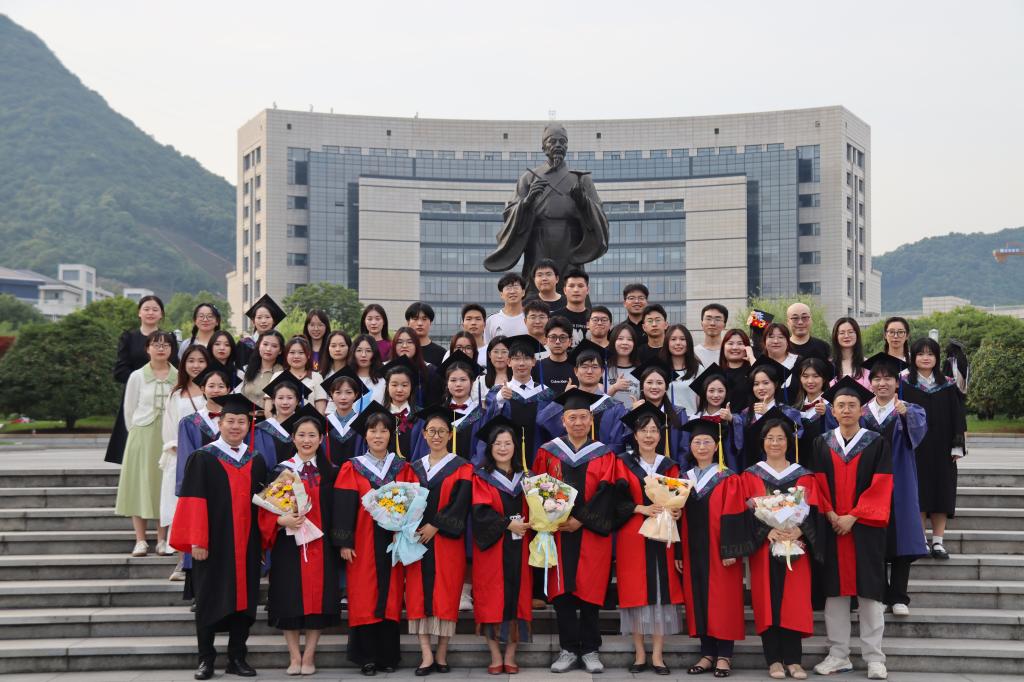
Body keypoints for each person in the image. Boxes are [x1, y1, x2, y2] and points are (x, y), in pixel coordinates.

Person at [532, 389, 630, 674]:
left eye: (583, 417)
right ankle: (567, 649)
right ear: (563, 420)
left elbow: (608, 494)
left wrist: (581, 520)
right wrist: (553, 516)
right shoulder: (548, 452)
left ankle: (589, 649)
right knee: (562, 593)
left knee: (590, 591)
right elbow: (538, 487)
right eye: (572, 417)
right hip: (558, 532)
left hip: (591, 533)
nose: (578, 422)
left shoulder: (605, 454)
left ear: (591, 420)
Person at [171, 394, 267, 680]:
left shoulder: (256, 460)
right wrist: (197, 541)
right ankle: (206, 659)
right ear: (220, 423)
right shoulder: (203, 457)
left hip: (247, 543)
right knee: (208, 599)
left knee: (244, 601)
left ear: (249, 425)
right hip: (212, 544)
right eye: (230, 421)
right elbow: (193, 501)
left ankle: (237, 658)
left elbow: (263, 504)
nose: (236, 426)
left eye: (241, 421)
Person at [811, 377, 893, 681]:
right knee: (834, 594)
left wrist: (854, 516)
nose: (846, 410)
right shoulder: (822, 443)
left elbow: (882, 484)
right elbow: (816, 483)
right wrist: (831, 513)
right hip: (833, 527)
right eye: (841, 405)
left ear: (861, 410)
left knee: (870, 594)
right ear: (832, 411)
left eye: (852, 405)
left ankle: (875, 658)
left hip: (865, 529)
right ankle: (838, 655)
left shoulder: (876, 442)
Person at [332, 402, 415, 676]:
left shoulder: (402, 467)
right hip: (363, 541)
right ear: (365, 435)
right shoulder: (352, 467)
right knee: (364, 595)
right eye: (373, 430)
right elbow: (343, 505)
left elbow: (413, 505)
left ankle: (388, 656)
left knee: (391, 595)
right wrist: (345, 542)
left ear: (391, 434)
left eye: (384, 430)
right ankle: (366, 657)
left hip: (393, 540)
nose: (378, 435)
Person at [259, 407, 339, 676]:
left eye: (312, 435)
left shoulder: (331, 472)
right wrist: (281, 521)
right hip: (288, 546)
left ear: (321, 439)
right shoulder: (281, 471)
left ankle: (309, 655)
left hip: (321, 545)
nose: (307, 440)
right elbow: (266, 509)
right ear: (293, 438)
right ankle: (294, 656)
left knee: (318, 601)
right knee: (288, 598)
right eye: (301, 435)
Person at [739, 419, 822, 680]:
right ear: (762, 442)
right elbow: (744, 512)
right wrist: (767, 532)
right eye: (770, 438)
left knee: (794, 601)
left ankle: (794, 661)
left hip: (796, 547)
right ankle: (774, 660)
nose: (775, 443)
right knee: (767, 600)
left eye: (780, 438)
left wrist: (800, 530)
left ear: (789, 442)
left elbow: (815, 511)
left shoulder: (804, 476)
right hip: (764, 548)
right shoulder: (750, 475)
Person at [483, 123, 610, 294]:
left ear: (567, 146)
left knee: (571, 287)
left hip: (570, 241)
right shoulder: (529, 177)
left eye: (562, 142)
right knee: (536, 287)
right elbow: (509, 212)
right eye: (552, 141)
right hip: (538, 240)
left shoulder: (581, 179)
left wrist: (583, 202)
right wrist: (527, 201)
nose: (558, 145)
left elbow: (599, 213)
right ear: (543, 146)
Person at [678, 417, 754, 678]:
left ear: (716, 445)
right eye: (696, 442)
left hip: (721, 551)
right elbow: (677, 518)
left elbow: (735, 515)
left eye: (706, 442)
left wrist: (731, 550)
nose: (701, 447)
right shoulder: (683, 479)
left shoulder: (728, 477)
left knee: (724, 600)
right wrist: (678, 552)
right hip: (692, 549)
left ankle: (724, 655)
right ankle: (707, 653)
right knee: (698, 598)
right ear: (690, 446)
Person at [616, 402, 685, 676]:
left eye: (654, 430)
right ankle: (639, 653)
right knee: (635, 592)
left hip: (663, 534)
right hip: (632, 536)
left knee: (659, 593)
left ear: (660, 435)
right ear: (635, 434)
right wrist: (639, 508)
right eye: (644, 430)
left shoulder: (670, 467)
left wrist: (678, 511)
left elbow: (679, 500)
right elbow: (613, 500)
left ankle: (657, 655)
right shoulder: (621, 463)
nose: (649, 435)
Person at [404, 407, 473, 676]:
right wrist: (412, 527)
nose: (436, 436)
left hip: (446, 541)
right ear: (423, 434)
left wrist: (437, 525)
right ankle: (426, 655)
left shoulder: (462, 467)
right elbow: (405, 503)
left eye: (442, 431)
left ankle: (442, 654)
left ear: (450, 435)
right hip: (417, 540)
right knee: (418, 595)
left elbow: (461, 503)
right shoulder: (413, 468)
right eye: (431, 431)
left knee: (446, 593)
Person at [861, 353, 928, 616]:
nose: (882, 383)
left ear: (897, 383)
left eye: (888, 378)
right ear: (870, 383)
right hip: (869, 483)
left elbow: (918, 436)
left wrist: (905, 414)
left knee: (902, 537)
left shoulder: (910, 409)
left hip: (900, 481)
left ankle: (899, 596)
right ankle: (879, 593)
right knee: (875, 539)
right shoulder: (862, 412)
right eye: (877, 379)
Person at [471, 415, 533, 674]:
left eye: (508, 443)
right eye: (498, 444)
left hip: (520, 547)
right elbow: (480, 512)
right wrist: (508, 524)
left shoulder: (527, 478)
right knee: (491, 598)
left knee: (518, 596)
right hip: (492, 549)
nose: (503, 448)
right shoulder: (481, 477)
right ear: (490, 447)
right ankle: (495, 655)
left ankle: (510, 654)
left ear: (515, 446)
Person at [902, 338, 967, 560]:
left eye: (930, 354)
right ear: (913, 358)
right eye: (921, 354)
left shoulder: (947, 384)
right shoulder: (904, 384)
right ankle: (921, 540)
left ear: (937, 358)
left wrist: (957, 445)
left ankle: (938, 542)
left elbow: (957, 416)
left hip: (942, 447)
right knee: (919, 491)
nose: (926, 358)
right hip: (915, 447)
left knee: (942, 491)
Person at [115, 330, 178, 557]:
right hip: (141, 436)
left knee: (163, 486)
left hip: (167, 437)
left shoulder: (178, 376)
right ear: (147, 348)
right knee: (139, 485)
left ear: (172, 349)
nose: (161, 348)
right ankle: (140, 540)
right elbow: (129, 409)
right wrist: (136, 432)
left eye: (166, 345)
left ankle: (162, 539)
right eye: (156, 344)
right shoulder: (137, 376)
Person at [106, 295, 178, 464]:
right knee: (134, 451)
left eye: (155, 309)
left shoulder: (169, 338)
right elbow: (120, 370)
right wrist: (144, 380)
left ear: (161, 314)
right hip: (139, 395)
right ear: (139, 312)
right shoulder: (129, 337)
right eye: (146, 309)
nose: (150, 313)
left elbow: (175, 366)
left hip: (165, 394)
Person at [160, 345, 210, 557]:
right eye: (191, 361)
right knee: (180, 504)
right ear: (183, 364)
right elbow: (169, 426)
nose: (196, 365)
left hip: (210, 457)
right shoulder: (176, 394)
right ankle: (182, 557)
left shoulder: (214, 389)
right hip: (181, 455)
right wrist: (179, 448)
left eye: (201, 361)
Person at [537, 340, 628, 453]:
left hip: (604, 462)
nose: (589, 371)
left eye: (595, 367)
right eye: (584, 366)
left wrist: (594, 457)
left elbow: (617, 445)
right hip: (569, 461)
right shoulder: (566, 402)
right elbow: (542, 421)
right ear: (576, 371)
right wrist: (563, 400)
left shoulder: (615, 407)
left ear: (602, 371)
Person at [485, 335, 554, 469]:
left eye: (526, 358)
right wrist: (499, 400)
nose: (521, 363)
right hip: (506, 461)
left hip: (538, 457)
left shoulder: (545, 393)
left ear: (533, 362)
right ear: (509, 362)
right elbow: (487, 425)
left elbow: (553, 429)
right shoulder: (497, 392)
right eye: (516, 358)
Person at [733, 358, 804, 470]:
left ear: (775, 384)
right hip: (752, 469)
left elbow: (796, 438)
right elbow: (738, 443)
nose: (761, 388)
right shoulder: (746, 414)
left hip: (781, 469)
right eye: (756, 384)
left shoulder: (789, 412)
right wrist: (730, 419)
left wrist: (769, 414)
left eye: (766, 383)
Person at [631, 358, 690, 465]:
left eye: (659, 383)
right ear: (642, 386)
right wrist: (634, 414)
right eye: (649, 382)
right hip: (638, 470)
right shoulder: (633, 411)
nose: (654, 387)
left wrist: (679, 472)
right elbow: (624, 442)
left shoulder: (679, 414)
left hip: (670, 471)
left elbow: (684, 448)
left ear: (666, 387)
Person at [436, 352, 487, 463]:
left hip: (472, 471)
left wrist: (469, 470)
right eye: (453, 380)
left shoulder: (482, 415)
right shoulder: (438, 415)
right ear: (447, 383)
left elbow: (483, 450)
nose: (458, 384)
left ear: (472, 382)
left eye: (463, 380)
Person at [689, 363, 739, 471]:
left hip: (727, 468)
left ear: (726, 393)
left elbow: (739, 446)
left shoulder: (732, 418)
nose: (716, 395)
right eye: (711, 391)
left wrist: (731, 420)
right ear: (704, 392)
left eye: (720, 391)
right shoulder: (694, 418)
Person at [790, 358, 837, 467]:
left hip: (825, 466)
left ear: (824, 379)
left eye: (816, 376)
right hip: (800, 467)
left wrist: (827, 415)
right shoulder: (794, 409)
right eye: (805, 376)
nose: (810, 381)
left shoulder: (833, 407)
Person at [254, 373, 309, 466]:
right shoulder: (262, 430)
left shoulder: (305, 427)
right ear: (273, 400)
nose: (285, 402)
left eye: (290, 398)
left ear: (297, 401)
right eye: (280, 398)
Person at [320, 367, 370, 467]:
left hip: (356, 472)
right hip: (329, 473)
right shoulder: (325, 423)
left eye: (349, 392)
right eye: (338, 392)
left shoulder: (363, 423)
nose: (343, 397)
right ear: (331, 395)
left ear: (356, 395)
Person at [267, 337, 329, 414]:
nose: (296, 356)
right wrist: (272, 421)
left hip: (308, 420)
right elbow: (268, 406)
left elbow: (320, 408)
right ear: (286, 355)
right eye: (292, 352)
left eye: (301, 352)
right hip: (281, 420)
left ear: (308, 355)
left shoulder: (316, 377)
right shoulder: (278, 376)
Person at [380, 357, 425, 458]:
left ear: (411, 387)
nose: (399, 390)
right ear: (387, 387)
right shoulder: (379, 415)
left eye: (404, 385)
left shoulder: (421, 417)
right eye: (394, 385)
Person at [391, 326, 444, 408]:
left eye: (410, 342)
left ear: (417, 345)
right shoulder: (387, 370)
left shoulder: (430, 371)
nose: (404, 346)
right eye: (399, 342)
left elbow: (435, 404)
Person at [237, 330, 285, 412]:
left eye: (274, 346)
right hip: (246, 416)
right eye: (265, 344)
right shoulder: (249, 369)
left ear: (280, 351)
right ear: (259, 346)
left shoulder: (281, 373)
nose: (268, 349)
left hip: (269, 417)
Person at [661, 323, 701, 414]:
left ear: (689, 342)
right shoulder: (660, 368)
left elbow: (702, 401)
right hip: (666, 420)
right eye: (673, 339)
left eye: (682, 339)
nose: (678, 343)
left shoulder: (698, 369)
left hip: (691, 419)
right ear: (667, 342)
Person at [238, 294, 286, 367]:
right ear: (253, 321)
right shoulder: (244, 344)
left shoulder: (279, 344)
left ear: (273, 321)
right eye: (259, 317)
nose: (263, 321)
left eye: (267, 317)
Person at [607, 322, 642, 409]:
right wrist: (614, 388)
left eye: (630, 339)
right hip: (609, 416)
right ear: (613, 341)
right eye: (620, 338)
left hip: (633, 416)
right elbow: (597, 405)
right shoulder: (604, 369)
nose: (625, 342)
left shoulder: (640, 371)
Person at [484, 273, 528, 343]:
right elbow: (487, 347)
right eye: (508, 288)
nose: (512, 291)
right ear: (501, 294)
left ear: (523, 292)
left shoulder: (531, 318)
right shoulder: (491, 321)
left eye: (516, 287)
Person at [552, 269, 590, 348]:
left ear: (587, 290)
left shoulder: (594, 318)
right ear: (565, 290)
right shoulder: (554, 317)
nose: (576, 290)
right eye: (571, 286)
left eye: (580, 286)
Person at [719, 328, 755, 413]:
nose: (735, 347)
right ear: (723, 347)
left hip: (749, 419)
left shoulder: (753, 372)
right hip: (722, 420)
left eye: (740, 343)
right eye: (730, 343)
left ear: (747, 347)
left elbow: (764, 375)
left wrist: (751, 357)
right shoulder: (716, 373)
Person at [538, 317, 575, 395]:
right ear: (546, 340)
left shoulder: (578, 368)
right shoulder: (536, 367)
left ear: (570, 341)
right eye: (553, 337)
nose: (557, 342)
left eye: (562, 337)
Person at [831, 317, 870, 389]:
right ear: (836, 336)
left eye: (850, 332)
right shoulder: (829, 365)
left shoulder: (867, 365)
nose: (846, 336)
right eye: (842, 333)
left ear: (857, 335)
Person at [349, 333, 386, 409]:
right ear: (353, 352)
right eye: (359, 350)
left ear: (374, 353)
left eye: (368, 351)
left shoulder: (384, 379)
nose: (363, 355)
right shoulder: (346, 377)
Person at [474, 337, 512, 408]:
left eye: (504, 352)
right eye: (496, 352)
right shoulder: (480, 381)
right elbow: (477, 409)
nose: (499, 356)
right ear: (489, 354)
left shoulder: (518, 379)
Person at [406, 302, 446, 367]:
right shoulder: (402, 349)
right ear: (408, 322)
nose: (420, 323)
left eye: (424, 319)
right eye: (415, 319)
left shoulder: (441, 353)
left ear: (430, 322)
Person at [694, 303, 729, 369]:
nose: (712, 323)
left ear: (724, 325)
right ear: (702, 323)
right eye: (708, 319)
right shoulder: (693, 353)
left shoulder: (731, 351)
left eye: (717, 319)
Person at [302, 309, 331, 374]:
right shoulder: (301, 347)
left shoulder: (332, 348)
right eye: (312, 325)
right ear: (306, 327)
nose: (316, 329)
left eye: (320, 325)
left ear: (326, 327)